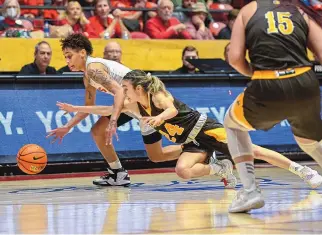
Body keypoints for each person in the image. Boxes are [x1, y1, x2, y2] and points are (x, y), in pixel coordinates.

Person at [56, 70, 322, 189]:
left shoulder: (157, 93)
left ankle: (303, 170)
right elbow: (105, 110)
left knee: (253, 151)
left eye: (125, 88)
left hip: (204, 130)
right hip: (192, 143)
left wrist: (159, 121)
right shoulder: (133, 105)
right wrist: (77, 108)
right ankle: (220, 167)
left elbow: (171, 110)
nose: (122, 92)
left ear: (137, 88)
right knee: (183, 171)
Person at [224, 0, 322, 213]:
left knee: (232, 124)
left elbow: (234, 57)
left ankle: (250, 192)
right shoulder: (299, 10)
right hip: (305, 81)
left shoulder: (248, 10)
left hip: (267, 82)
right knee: (309, 141)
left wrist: (255, 74)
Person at [46, 33, 132, 186]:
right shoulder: (87, 76)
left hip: (145, 97)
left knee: (158, 155)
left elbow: (119, 91)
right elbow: (88, 108)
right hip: (130, 102)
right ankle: (118, 173)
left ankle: (189, 147)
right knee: (98, 130)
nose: (67, 61)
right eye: (65, 57)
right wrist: (67, 127)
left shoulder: (93, 69)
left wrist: (112, 122)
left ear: (83, 53)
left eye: (69, 56)